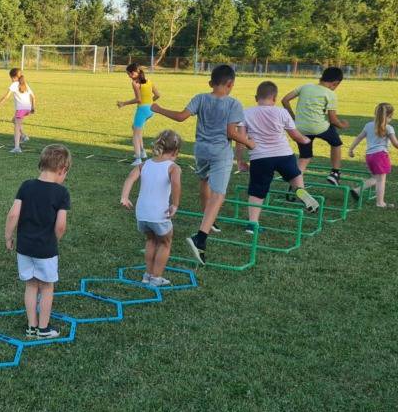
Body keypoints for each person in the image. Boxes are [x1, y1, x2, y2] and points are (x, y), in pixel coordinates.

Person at [152, 64, 254, 265]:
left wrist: (158, 109)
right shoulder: (234, 104)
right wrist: (250, 143)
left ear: (210, 83)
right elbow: (231, 133)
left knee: (205, 181)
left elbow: (181, 117)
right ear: (231, 84)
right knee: (219, 194)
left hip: (200, 150)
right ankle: (201, 237)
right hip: (220, 152)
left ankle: (210, 219)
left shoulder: (200, 97)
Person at [4, 144, 71, 338]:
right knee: (47, 286)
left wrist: (8, 236)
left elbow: (13, 214)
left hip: (24, 248)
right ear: (62, 169)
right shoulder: (61, 193)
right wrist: (54, 240)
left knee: (31, 285)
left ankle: (31, 326)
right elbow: (60, 226)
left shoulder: (26, 186)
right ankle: (43, 329)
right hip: (46, 249)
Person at [235, 81, 320, 229]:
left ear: (256, 97)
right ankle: (301, 191)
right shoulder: (282, 112)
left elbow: (240, 140)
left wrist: (240, 160)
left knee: (257, 191)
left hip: (260, 157)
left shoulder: (245, 113)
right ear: (274, 98)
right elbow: (296, 136)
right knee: (295, 176)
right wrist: (305, 139)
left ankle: (252, 224)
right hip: (284, 155)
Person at [119, 130, 182, 287]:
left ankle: (147, 275)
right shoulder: (173, 167)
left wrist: (124, 197)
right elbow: (176, 184)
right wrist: (174, 204)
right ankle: (156, 278)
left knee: (151, 239)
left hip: (142, 213)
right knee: (165, 243)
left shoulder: (144, 164)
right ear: (176, 151)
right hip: (159, 213)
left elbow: (130, 178)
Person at [281, 67, 348, 183]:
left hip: (301, 129)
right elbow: (333, 120)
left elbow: (285, 100)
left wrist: (293, 117)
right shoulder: (330, 94)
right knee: (336, 143)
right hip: (319, 128)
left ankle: (295, 185)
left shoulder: (305, 87)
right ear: (335, 83)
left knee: (305, 157)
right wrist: (342, 125)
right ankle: (335, 172)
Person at [348, 102, 398, 208]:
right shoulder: (388, 128)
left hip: (369, 156)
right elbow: (395, 144)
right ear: (389, 116)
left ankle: (357, 190)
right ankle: (380, 203)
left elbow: (359, 137)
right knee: (381, 180)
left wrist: (351, 149)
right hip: (380, 156)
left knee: (375, 178)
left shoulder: (368, 125)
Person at [116, 62, 160, 166]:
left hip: (142, 110)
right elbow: (158, 95)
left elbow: (138, 99)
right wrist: (149, 102)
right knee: (136, 128)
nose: (129, 76)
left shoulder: (135, 83)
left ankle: (138, 159)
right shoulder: (149, 81)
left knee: (135, 135)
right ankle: (143, 152)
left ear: (136, 72)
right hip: (150, 110)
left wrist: (123, 103)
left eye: (130, 74)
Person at [0, 68, 35, 153]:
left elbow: (6, 96)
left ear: (14, 77)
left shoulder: (14, 84)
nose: (11, 79)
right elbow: (33, 97)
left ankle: (17, 148)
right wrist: (33, 108)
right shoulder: (25, 84)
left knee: (17, 127)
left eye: (11, 77)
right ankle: (24, 136)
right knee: (14, 120)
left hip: (21, 109)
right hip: (27, 108)